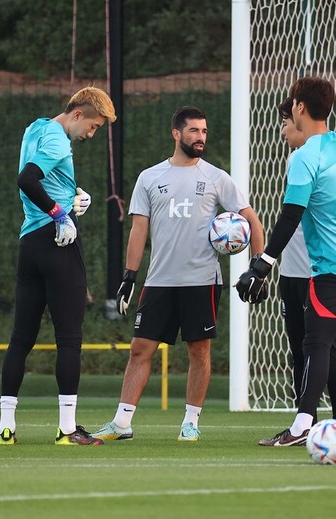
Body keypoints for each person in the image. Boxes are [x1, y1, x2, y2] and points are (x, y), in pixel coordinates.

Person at [91, 106, 264, 442]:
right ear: (176, 133)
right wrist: (129, 276)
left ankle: (191, 422)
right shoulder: (150, 177)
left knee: (198, 351)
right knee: (140, 348)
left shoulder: (216, 177)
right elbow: (138, 230)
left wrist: (259, 265)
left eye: (204, 132)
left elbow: (251, 219)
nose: (200, 137)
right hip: (158, 281)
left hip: (202, 280)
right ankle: (122, 422)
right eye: (194, 131)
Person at [236, 77, 336, 447]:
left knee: (314, 343)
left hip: (332, 271)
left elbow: (291, 215)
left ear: (299, 107)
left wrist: (262, 263)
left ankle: (301, 426)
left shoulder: (304, 156)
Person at [0, 86, 116, 446]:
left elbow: (40, 177)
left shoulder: (35, 128)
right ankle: (67, 429)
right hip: (58, 242)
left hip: (29, 244)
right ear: (78, 114)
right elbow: (27, 179)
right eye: (93, 127)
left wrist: (73, 192)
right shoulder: (59, 141)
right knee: (69, 339)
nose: (92, 135)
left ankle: (7, 429)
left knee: (21, 338)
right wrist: (59, 213)